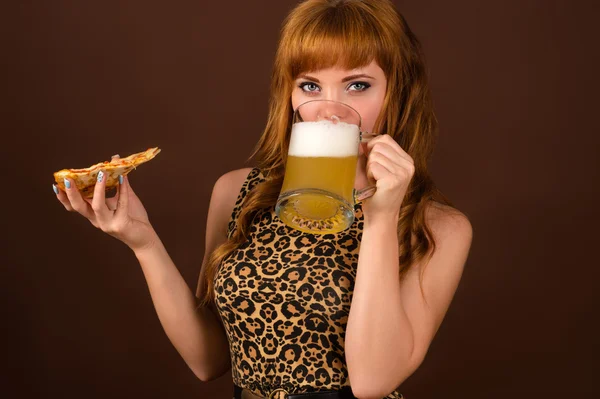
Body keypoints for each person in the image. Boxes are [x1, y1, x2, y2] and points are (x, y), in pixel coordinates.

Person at [52, 0, 473, 398]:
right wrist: (142, 241)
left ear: (397, 92)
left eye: (357, 85)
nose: (330, 109)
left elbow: (371, 382)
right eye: (310, 85)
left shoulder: (436, 227)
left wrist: (381, 218)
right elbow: (208, 359)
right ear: (290, 97)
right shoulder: (237, 193)